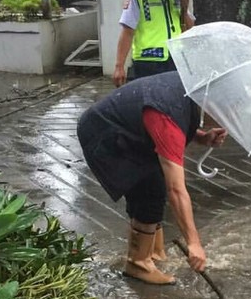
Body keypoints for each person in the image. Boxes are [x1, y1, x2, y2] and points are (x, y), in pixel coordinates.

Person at [77, 70, 227, 285]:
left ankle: (153, 252)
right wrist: (193, 243)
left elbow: (174, 119)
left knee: (150, 182)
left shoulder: (188, 88)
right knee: (150, 188)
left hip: (124, 126)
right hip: (102, 133)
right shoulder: (168, 113)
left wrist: (202, 137)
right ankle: (138, 263)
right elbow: (176, 190)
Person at [113, 0, 195, 86]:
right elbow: (128, 31)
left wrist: (185, 11)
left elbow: (190, 28)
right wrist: (119, 66)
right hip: (148, 61)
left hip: (175, 59)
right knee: (150, 99)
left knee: (173, 98)